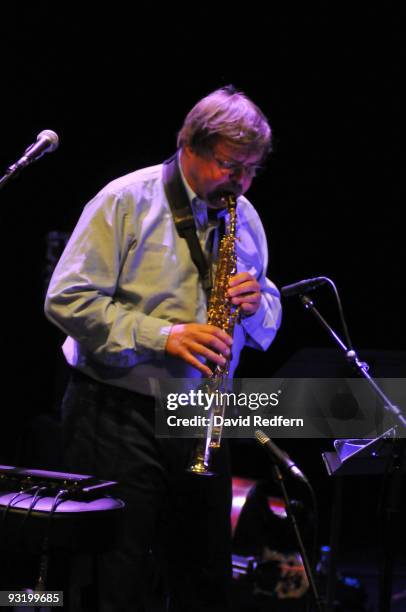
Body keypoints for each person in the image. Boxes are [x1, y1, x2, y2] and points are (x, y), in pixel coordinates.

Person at [45, 85, 282, 612]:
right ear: (188, 146)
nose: (239, 182)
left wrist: (255, 305)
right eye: (228, 164)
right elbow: (66, 300)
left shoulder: (247, 216)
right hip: (114, 409)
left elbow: (270, 307)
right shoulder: (125, 200)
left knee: (204, 577)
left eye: (250, 170)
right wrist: (166, 336)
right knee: (118, 578)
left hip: (200, 414)